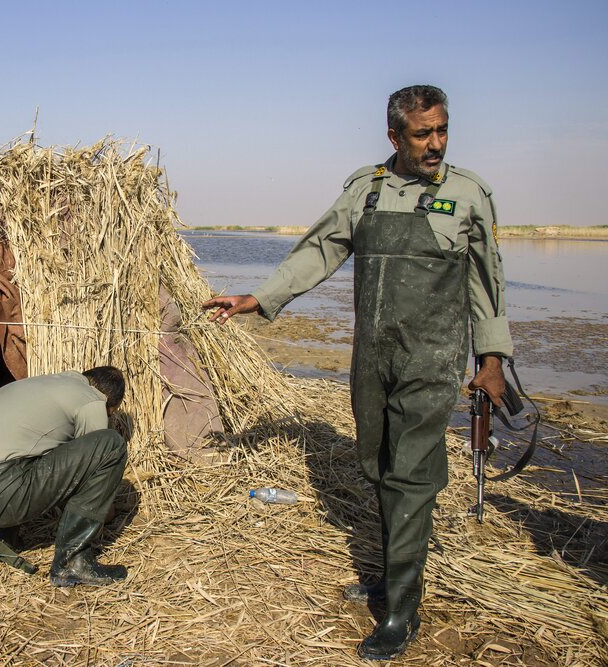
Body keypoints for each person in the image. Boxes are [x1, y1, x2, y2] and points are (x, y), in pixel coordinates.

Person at [202, 85, 511, 660]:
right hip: (372, 358)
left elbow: (486, 282)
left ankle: (401, 611)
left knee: (411, 475)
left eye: (442, 130)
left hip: (432, 360)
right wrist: (259, 298)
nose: (436, 144)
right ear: (394, 135)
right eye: (423, 134)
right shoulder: (365, 190)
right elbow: (319, 250)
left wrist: (490, 361)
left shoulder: (468, 194)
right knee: (378, 465)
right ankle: (392, 575)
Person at [0, 366, 128, 587]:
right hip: (1, 493)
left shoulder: (46, 385)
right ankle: (73, 563)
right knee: (110, 444)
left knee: (35, 448)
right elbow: (94, 463)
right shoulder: (91, 399)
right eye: (110, 413)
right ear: (107, 401)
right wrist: (107, 510)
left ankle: (0, 537)